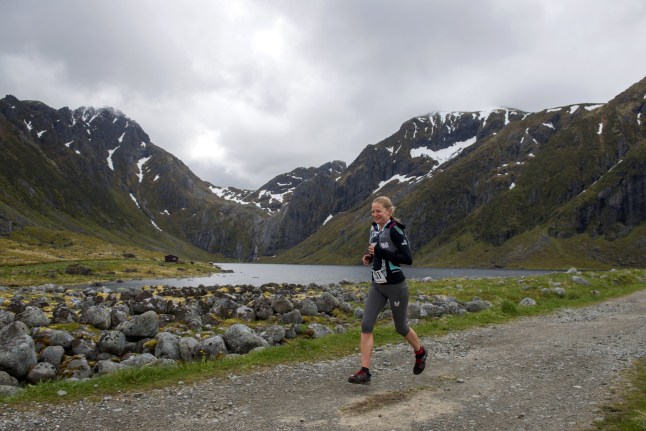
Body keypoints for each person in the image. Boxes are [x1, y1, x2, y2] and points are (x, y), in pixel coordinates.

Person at [348, 196, 427, 384]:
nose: (375, 214)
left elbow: (407, 259)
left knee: (400, 327)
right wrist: (368, 257)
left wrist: (381, 254)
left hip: (395, 287)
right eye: (372, 211)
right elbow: (376, 252)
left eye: (378, 211)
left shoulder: (395, 231)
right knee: (366, 325)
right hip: (377, 285)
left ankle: (420, 352)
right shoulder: (374, 229)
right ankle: (364, 371)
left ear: (389, 212)